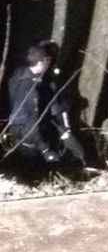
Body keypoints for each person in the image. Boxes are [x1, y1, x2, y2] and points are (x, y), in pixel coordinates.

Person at [7, 42, 85, 171]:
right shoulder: (31, 90)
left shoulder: (18, 75)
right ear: (39, 63)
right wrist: (45, 150)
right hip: (29, 135)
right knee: (37, 165)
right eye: (46, 61)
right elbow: (32, 123)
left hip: (20, 128)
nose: (48, 64)